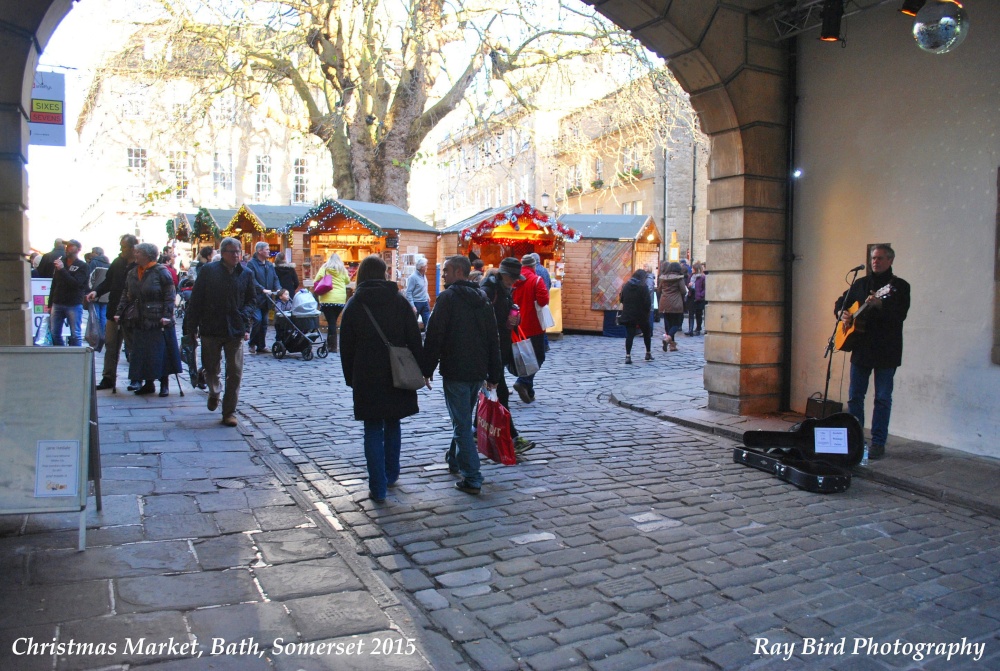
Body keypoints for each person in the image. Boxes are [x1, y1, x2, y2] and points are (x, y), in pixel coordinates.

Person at [339, 255, 424, 503]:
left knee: (373, 428)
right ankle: (391, 473)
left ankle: (378, 488)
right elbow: (414, 337)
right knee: (393, 423)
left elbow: (347, 347)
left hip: (366, 375)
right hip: (396, 372)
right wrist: (421, 368)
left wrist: (351, 378)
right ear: (384, 273)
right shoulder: (399, 302)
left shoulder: (355, 305)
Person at [422, 255, 503, 495]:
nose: (443, 275)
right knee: (463, 419)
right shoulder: (482, 298)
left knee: (461, 424)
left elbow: (434, 336)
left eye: (446, 270)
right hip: (477, 370)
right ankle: (455, 459)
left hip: (456, 370)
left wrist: (427, 368)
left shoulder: (447, 298)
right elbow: (493, 339)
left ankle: (472, 477)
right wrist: (494, 371)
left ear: (458, 272)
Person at [834, 244, 910, 460]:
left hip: (887, 349)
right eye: (873, 258)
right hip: (861, 348)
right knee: (855, 397)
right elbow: (841, 302)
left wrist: (880, 306)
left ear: (890, 261)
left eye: (880, 258)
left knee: (883, 398)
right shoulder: (860, 283)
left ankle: (878, 442)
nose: (875, 261)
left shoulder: (900, 287)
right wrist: (843, 313)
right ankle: (855, 438)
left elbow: (900, 314)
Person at [184, 236, 258, 427]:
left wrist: (245, 316)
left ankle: (229, 412)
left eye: (238, 252)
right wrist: (191, 328)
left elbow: (252, 299)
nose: (235, 255)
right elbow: (196, 300)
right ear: (223, 253)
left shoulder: (246, 273)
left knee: (234, 372)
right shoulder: (209, 271)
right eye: (232, 252)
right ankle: (214, 391)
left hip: (235, 329)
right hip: (211, 327)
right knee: (211, 368)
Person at [481, 257, 535, 454]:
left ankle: (473, 433)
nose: (515, 281)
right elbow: (484, 321)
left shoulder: (504, 289)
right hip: (490, 350)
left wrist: (514, 319)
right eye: (512, 277)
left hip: (500, 348)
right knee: (500, 393)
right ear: (504, 274)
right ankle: (513, 438)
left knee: (491, 395)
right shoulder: (489, 291)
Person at [115, 242, 182, 397]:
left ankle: (164, 384)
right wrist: (120, 312)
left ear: (146, 255)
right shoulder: (133, 272)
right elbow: (126, 293)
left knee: (161, 351)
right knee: (143, 351)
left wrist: (167, 315)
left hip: (158, 319)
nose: (135, 255)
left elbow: (170, 294)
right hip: (139, 317)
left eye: (138, 252)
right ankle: (148, 382)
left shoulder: (161, 271)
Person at [90, 235, 138, 390]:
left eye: (123, 247)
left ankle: (136, 378)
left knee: (133, 348)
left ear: (132, 248)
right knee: (111, 346)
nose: (121, 249)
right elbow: (108, 282)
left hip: (132, 314)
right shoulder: (117, 263)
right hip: (113, 311)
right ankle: (108, 378)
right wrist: (96, 292)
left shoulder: (139, 265)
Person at [510, 253, 549, 403]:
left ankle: (529, 391)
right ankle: (523, 381)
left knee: (524, 357)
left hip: (516, 325)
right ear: (534, 266)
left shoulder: (514, 281)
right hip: (534, 325)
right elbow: (543, 300)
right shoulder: (536, 280)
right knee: (538, 356)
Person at [48, 239, 88, 346]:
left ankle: (76, 358)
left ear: (78, 249)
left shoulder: (82, 266)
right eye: (67, 246)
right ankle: (61, 355)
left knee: (75, 334)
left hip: (73, 303)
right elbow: (54, 283)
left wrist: (62, 270)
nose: (68, 249)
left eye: (71, 246)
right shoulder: (61, 262)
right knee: (54, 333)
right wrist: (50, 303)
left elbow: (76, 284)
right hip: (58, 302)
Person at [246, 241, 280, 354]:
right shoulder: (252, 264)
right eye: (267, 249)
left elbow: (275, 278)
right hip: (256, 298)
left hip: (267, 299)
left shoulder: (270, 264)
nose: (269, 251)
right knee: (258, 320)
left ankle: (261, 345)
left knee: (264, 322)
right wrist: (262, 289)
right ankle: (252, 343)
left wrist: (278, 289)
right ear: (259, 251)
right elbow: (252, 280)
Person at [314, 252, 349, 353]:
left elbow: (316, 279)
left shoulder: (325, 268)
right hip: (340, 300)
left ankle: (332, 346)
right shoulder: (342, 270)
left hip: (327, 299)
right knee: (333, 321)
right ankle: (332, 345)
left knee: (331, 322)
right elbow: (347, 281)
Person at [620, 268, 654, 364]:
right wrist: (647, 312)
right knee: (647, 334)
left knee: (629, 335)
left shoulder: (626, 286)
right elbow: (647, 302)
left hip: (629, 314)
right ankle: (648, 353)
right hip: (641, 315)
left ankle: (628, 356)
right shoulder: (643, 287)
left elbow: (622, 299)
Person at [658, 261, 687, 352]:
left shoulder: (663, 278)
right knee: (676, 324)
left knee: (668, 324)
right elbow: (683, 291)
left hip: (664, 303)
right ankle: (668, 339)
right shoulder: (679, 279)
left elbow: (659, 290)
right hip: (676, 303)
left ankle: (672, 345)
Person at [87, 248, 111, 344]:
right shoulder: (109, 264)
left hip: (96, 293)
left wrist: (91, 290)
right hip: (106, 295)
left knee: (95, 315)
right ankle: (103, 336)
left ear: (96, 253)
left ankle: (96, 336)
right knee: (103, 315)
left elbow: (90, 278)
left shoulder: (94, 263)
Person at [404, 256, 431, 330]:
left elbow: (424, 288)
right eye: (426, 266)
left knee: (428, 322)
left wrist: (427, 296)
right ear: (422, 267)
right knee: (413, 324)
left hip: (425, 302)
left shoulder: (424, 276)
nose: (427, 267)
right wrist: (412, 306)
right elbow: (408, 292)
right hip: (416, 303)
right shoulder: (413, 277)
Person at [685, 262, 707, 336]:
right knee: (691, 314)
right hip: (691, 296)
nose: (691, 269)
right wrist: (689, 286)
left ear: (696, 269)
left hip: (699, 298)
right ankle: (690, 329)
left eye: (693, 268)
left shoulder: (702, 277)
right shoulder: (690, 276)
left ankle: (698, 328)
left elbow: (705, 288)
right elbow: (688, 285)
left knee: (698, 314)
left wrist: (701, 295)